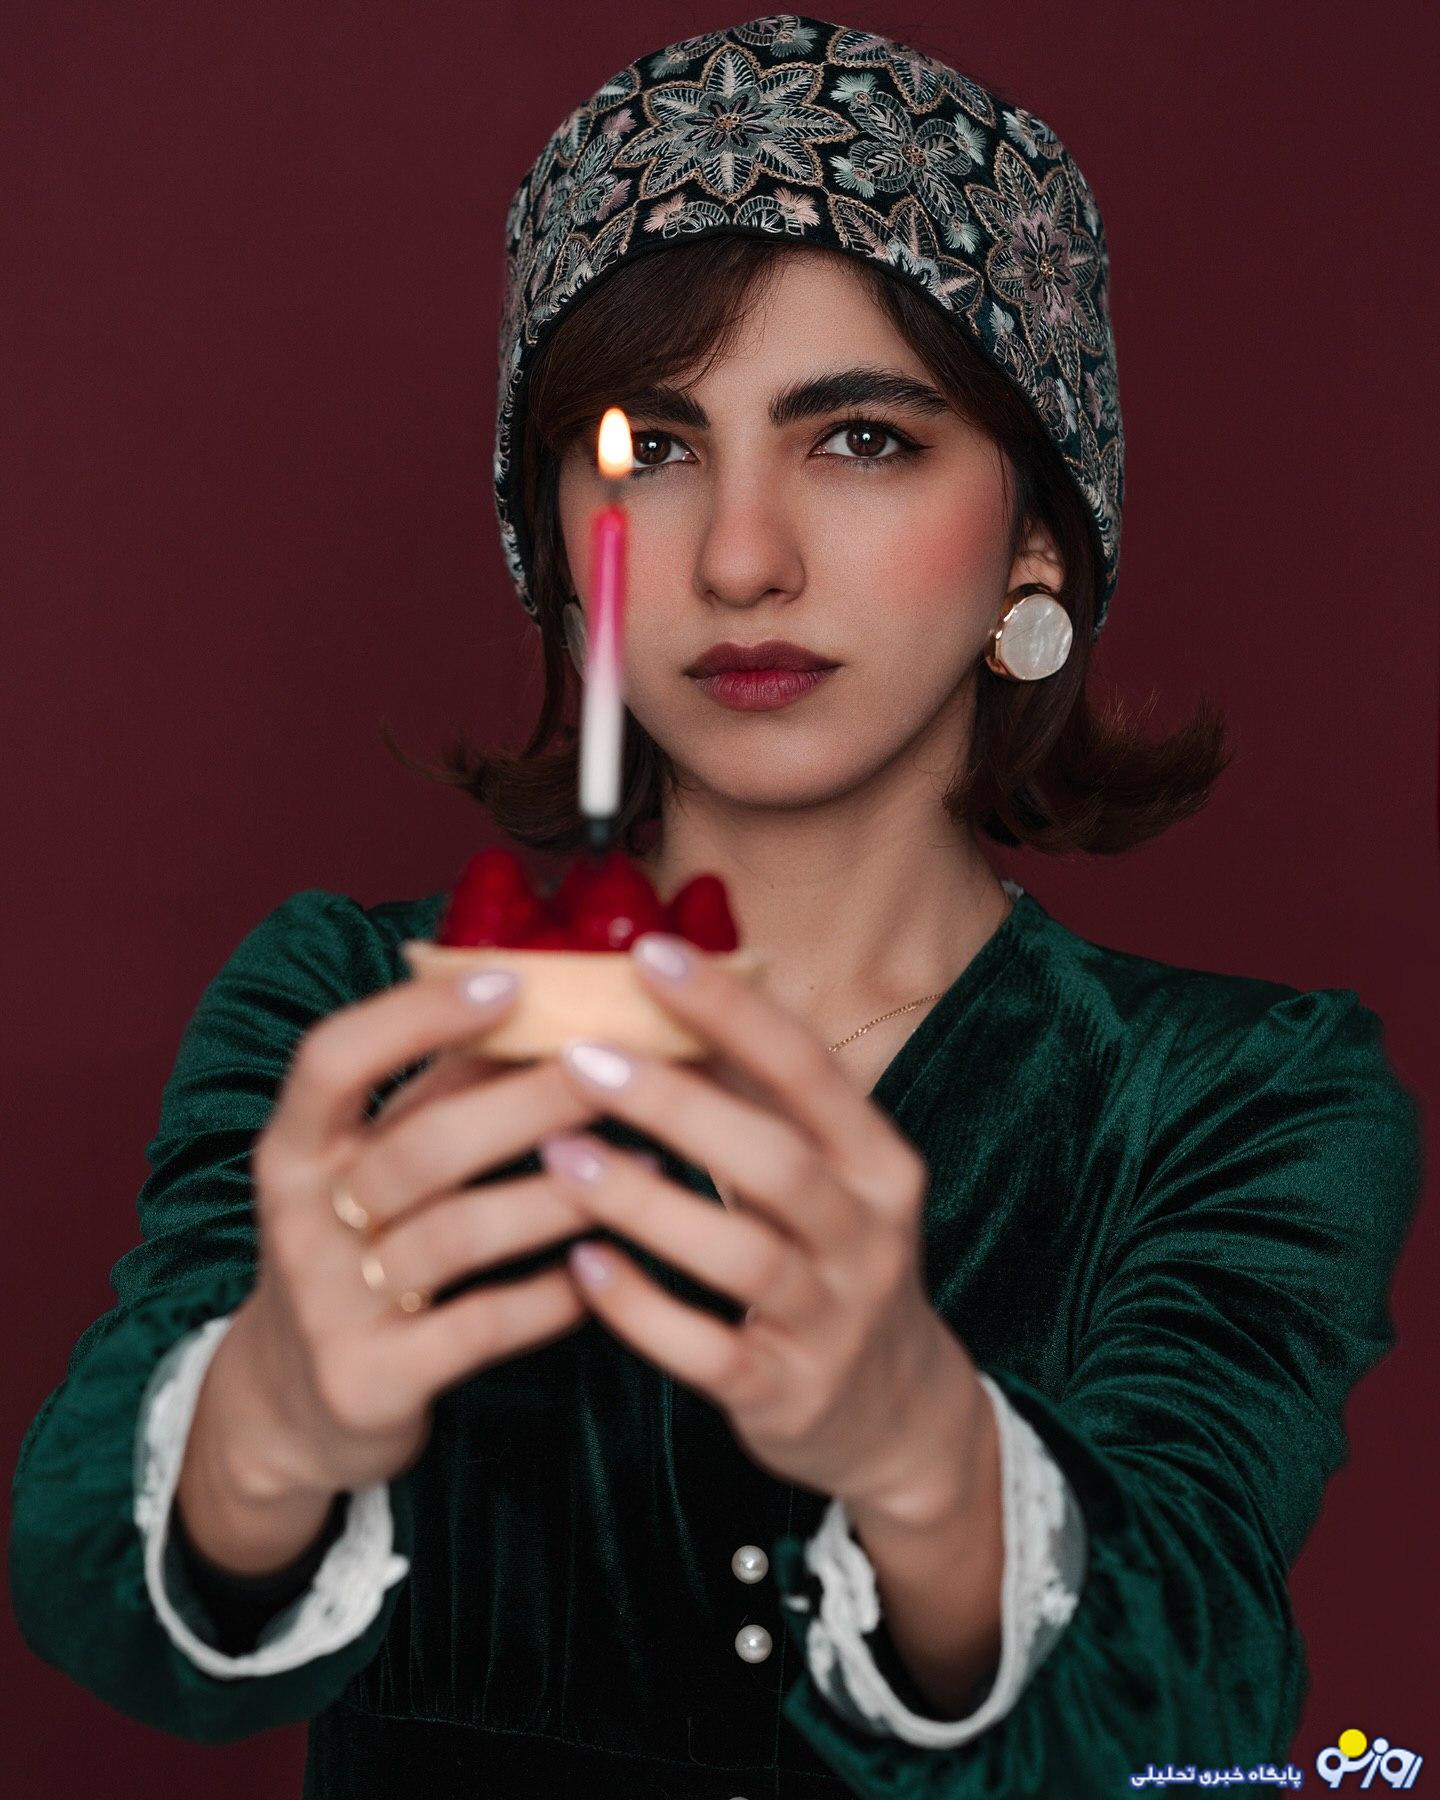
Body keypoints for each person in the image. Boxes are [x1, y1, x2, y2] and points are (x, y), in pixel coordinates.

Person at [9, 16, 1424, 1798]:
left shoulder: (1243, 1099)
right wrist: (269, 1418)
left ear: (1039, 533)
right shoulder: (355, 1010)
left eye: (862, 438)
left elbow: (1193, 1698)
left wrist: (922, 1448)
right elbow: (89, 1578)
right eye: (655, 450)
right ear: (556, 545)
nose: (743, 558)